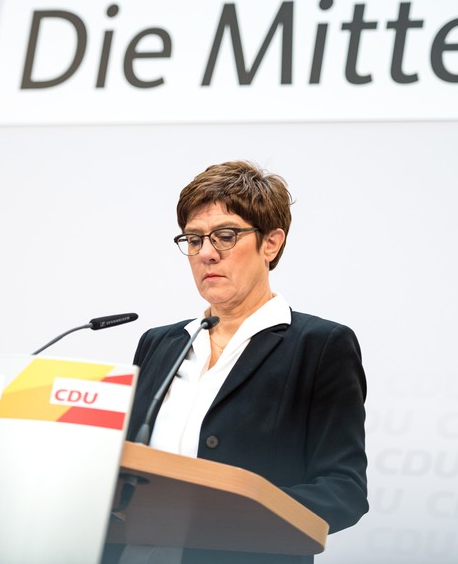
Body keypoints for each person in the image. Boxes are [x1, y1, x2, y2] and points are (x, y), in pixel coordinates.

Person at [107, 160, 368, 564]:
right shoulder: (159, 344)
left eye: (225, 236)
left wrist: (228, 515)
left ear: (272, 243)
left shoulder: (319, 345)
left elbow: (343, 488)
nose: (207, 254)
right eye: (194, 240)